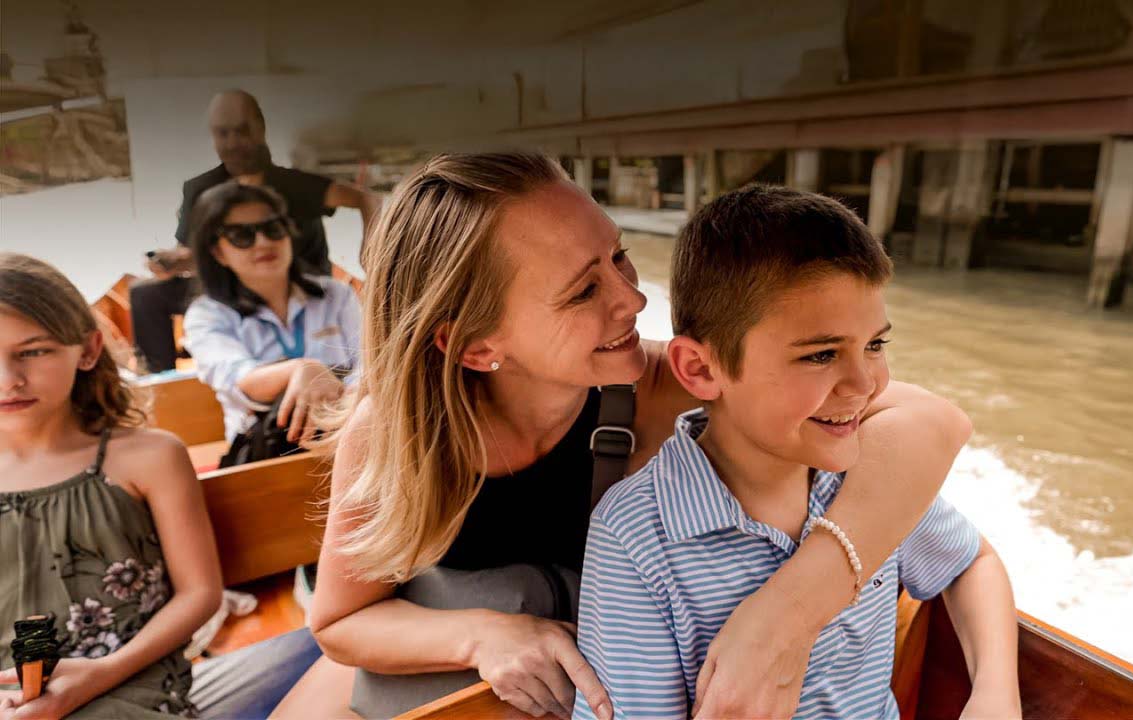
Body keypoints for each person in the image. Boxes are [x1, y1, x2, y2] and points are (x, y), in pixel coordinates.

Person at [290, 153, 973, 720]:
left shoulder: (650, 385)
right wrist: (488, 635)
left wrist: (789, 613)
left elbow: (932, 421)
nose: (635, 299)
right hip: (466, 651)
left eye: (617, 257)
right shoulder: (391, 438)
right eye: (584, 292)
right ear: (472, 346)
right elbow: (341, 623)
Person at [571, 186, 1021, 719]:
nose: (866, 383)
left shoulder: (867, 480)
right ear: (700, 369)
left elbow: (972, 562)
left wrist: (994, 692)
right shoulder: (636, 535)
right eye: (821, 355)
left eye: (875, 345)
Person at [0, 253, 321, 719]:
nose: (9, 379)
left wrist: (102, 672)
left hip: (132, 679)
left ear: (88, 350)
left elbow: (200, 595)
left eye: (33, 351)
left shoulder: (150, 456)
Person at [130, 89, 379, 373]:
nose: (234, 142)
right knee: (145, 293)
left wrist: (371, 252)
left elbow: (366, 197)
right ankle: (162, 383)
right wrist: (170, 262)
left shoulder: (297, 184)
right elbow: (192, 254)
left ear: (260, 128)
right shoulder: (199, 189)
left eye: (272, 228)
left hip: (295, 282)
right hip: (233, 284)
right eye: (223, 134)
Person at [182, 181, 361, 454]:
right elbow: (240, 378)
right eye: (241, 235)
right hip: (266, 451)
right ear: (217, 252)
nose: (263, 242)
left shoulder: (336, 294)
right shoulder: (207, 315)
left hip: (350, 435)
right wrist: (303, 369)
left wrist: (339, 406)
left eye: (273, 228)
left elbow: (370, 366)